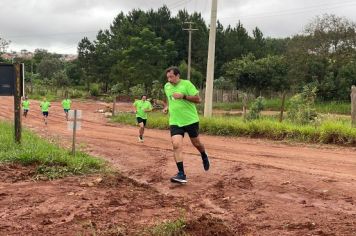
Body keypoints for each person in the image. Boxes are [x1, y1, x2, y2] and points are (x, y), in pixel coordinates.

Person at [163, 66, 210, 184]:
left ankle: (203, 155)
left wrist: (183, 96)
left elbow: (198, 99)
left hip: (190, 120)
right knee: (176, 145)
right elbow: (169, 100)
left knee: (196, 143)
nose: (169, 79)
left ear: (178, 75)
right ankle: (181, 174)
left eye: (171, 77)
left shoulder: (187, 84)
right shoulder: (167, 86)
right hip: (175, 121)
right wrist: (167, 107)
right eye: (168, 77)